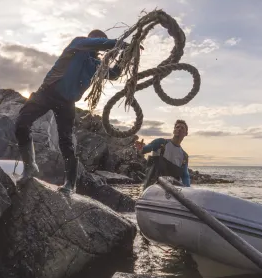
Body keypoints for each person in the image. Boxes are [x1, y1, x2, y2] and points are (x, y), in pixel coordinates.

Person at [15, 29, 123, 195]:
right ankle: (30, 167)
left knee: (66, 143)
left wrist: (125, 54)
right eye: (96, 39)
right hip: (47, 92)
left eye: (100, 41)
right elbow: (95, 43)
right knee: (21, 124)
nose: (97, 43)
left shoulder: (96, 65)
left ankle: (70, 183)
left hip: (67, 103)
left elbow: (114, 74)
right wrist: (118, 43)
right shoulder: (77, 45)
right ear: (90, 39)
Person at [135, 119, 190, 188]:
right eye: (177, 127)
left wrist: (188, 190)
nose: (179, 129)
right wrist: (141, 148)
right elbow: (147, 148)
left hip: (171, 192)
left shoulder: (184, 156)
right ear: (174, 131)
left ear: (186, 133)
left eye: (182, 128)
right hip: (152, 187)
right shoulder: (161, 143)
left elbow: (185, 176)